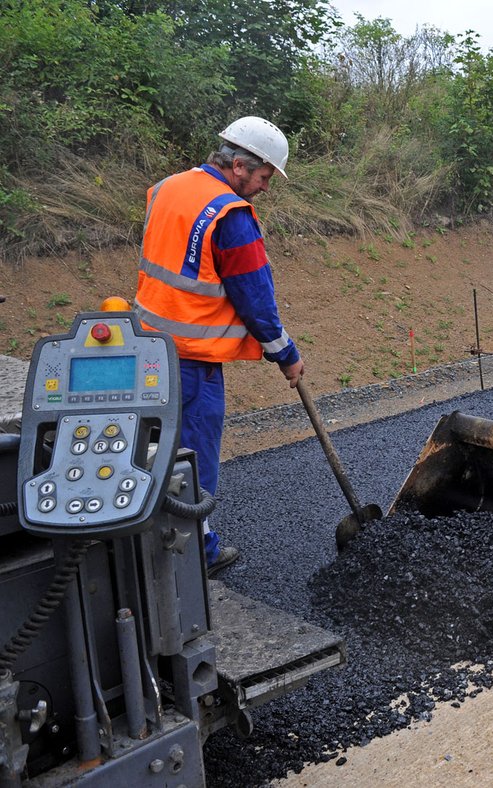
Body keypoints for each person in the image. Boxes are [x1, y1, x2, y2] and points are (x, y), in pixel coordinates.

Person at [134, 116, 304, 575]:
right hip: (191, 360)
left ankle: (144, 536)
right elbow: (255, 298)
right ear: (240, 165)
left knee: (153, 449)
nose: (265, 188)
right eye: (265, 176)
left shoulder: (167, 188)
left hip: (145, 348)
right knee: (192, 457)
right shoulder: (231, 215)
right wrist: (285, 354)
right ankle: (195, 554)